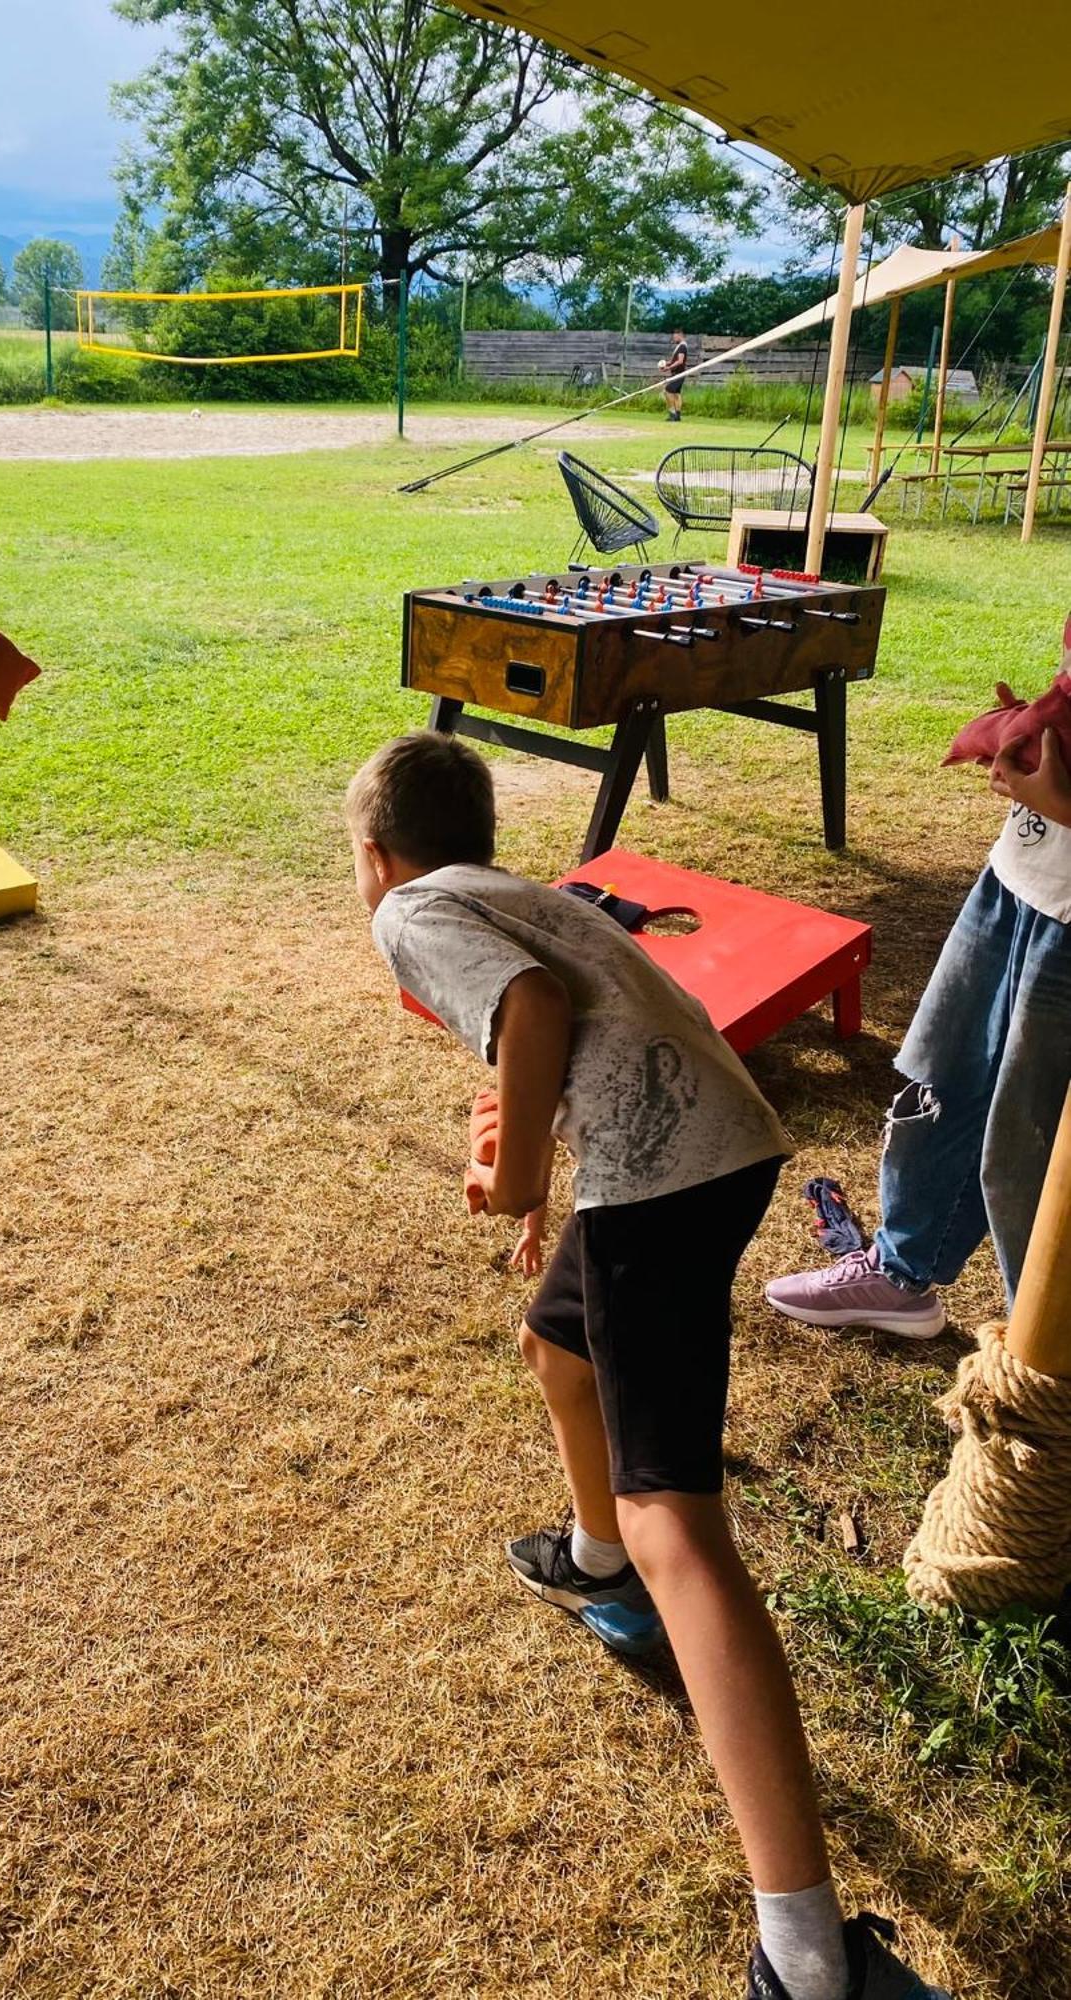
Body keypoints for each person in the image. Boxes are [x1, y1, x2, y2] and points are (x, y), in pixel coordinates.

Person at [347, 731, 949, 2000]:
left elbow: (534, 1009)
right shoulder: (516, 888)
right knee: (556, 1345)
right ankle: (594, 1555)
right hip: (707, 1143)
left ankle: (804, 1954)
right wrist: (537, 1182)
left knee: (678, 1516)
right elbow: (563, 1023)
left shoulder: (409, 908)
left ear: (373, 852)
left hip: (665, 1175)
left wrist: (513, 1179)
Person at [766, 647, 1071, 1340]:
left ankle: (1045, 1359)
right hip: (1018, 879)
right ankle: (903, 1273)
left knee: (1037, 1154)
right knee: (940, 1089)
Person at [660, 326, 689, 420]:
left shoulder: (682, 346)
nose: (674, 339)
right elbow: (676, 360)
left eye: (675, 337)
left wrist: (668, 368)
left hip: (679, 374)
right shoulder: (681, 346)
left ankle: (672, 413)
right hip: (679, 373)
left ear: (680, 335)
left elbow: (680, 361)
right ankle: (678, 416)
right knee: (676, 394)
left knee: (667, 390)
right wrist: (667, 364)